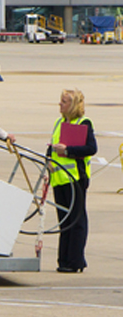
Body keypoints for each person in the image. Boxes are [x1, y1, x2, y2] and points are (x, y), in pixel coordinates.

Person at [47, 89, 97, 273]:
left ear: (73, 105)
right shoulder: (59, 123)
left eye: (64, 101)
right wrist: (48, 162)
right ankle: (64, 259)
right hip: (59, 179)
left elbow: (91, 148)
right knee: (64, 221)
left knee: (76, 220)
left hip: (75, 178)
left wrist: (68, 150)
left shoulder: (83, 123)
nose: (60, 104)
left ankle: (75, 261)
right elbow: (51, 145)